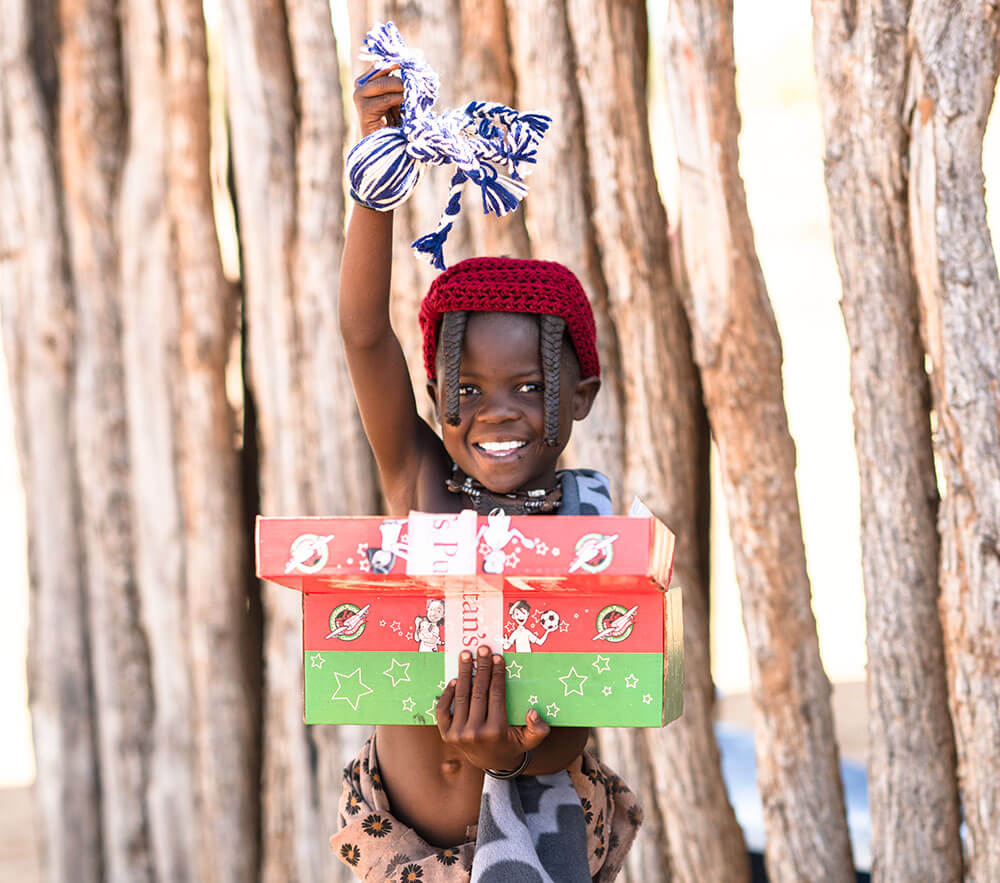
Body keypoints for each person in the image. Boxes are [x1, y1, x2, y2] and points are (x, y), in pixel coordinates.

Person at [331, 63, 641, 880]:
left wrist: (516, 755)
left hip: (534, 852)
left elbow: (577, 721)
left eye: (529, 386)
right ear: (435, 397)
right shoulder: (421, 483)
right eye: (468, 389)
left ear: (580, 394)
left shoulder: (592, 535)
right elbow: (365, 334)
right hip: (395, 850)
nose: (497, 413)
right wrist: (373, 179)